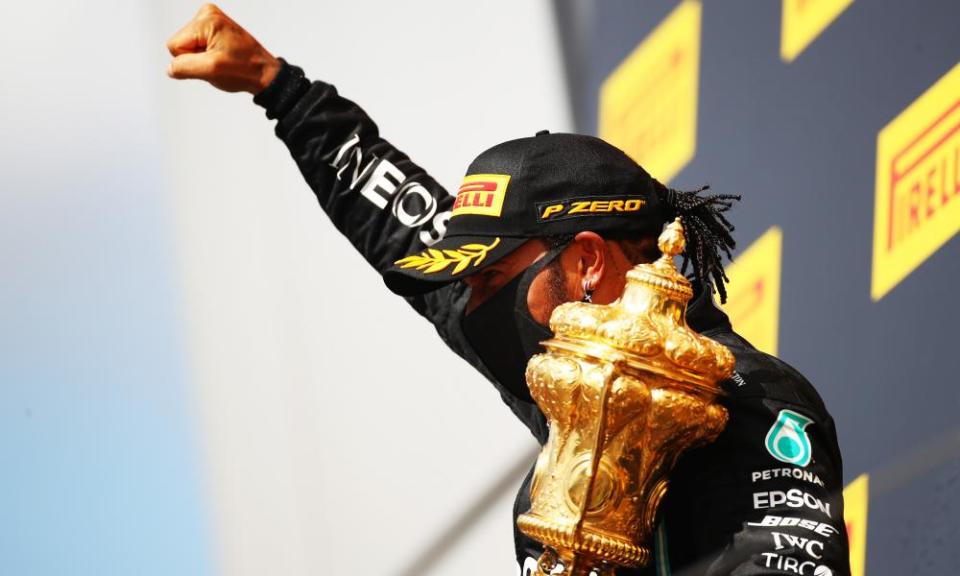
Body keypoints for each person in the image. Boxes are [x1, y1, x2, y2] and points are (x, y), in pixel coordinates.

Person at [166, 5, 852, 575]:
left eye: (491, 276)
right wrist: (275, 86)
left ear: (585, 263)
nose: (471, 307)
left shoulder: (744, 405)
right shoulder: (572, 395)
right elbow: (404, 231)